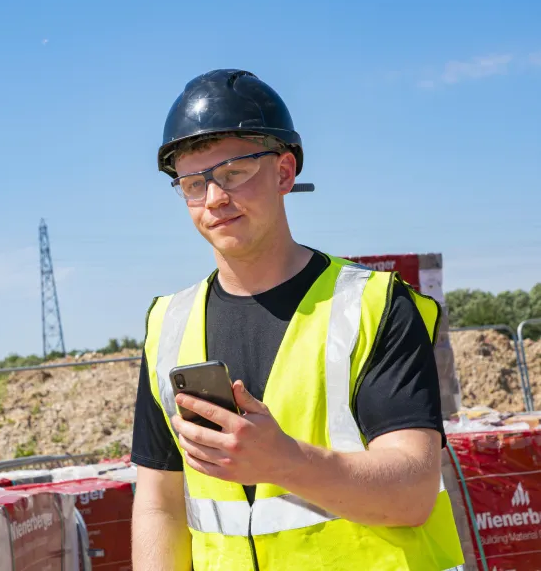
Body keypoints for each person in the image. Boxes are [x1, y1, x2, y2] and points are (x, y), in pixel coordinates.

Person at [129, 69, 465, 570]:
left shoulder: (374, 306)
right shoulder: (168, 325)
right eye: (194, 183)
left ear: (285, 173)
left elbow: (413, 493)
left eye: (234, 172)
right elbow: (160, 502)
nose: (215, 199)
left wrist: (282, 462)